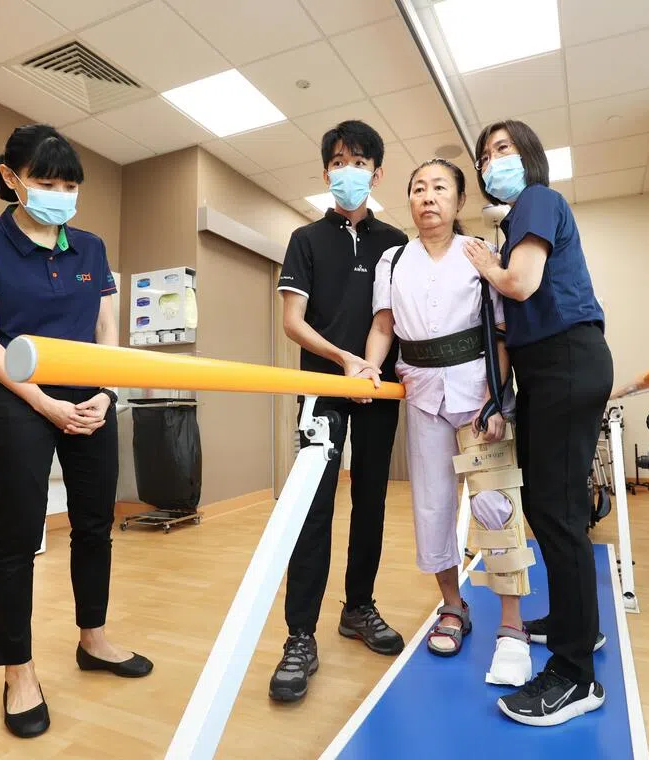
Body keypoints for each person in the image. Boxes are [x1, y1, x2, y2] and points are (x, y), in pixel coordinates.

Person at [0, 124, 152, 739]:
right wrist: (42, 401)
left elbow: (107, 328)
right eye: (46, 182)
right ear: (11, 178)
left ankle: (93, 638)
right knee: (15, 536)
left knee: (94, 524)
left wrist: (106, 392)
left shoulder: (90, 247)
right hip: (19, 398)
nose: (60, 195)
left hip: (90, 396)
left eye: (70, 185)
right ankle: (18, 672)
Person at [357, 158, 535, 687]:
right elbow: (384, 327)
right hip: (422, 395)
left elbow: (499, 333)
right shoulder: (393, 260)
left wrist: (498, 400)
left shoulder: (479, 252)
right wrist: (369, 366)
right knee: (432, 506)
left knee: (495, 503)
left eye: (439, 187)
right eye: (418, 188)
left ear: (458, 200)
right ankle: (453, 606)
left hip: (478, 395)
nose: (428, 196)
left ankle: (511, 624)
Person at [462, 119, 614, 726]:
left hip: (565, 362)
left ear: (528, 156)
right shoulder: (522, 220)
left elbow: (521, 285)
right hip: (551, 368)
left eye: (502, 149)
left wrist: (484, 263)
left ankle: (576, 677)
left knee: (558, 513)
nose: (491, 161)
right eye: (484, 155)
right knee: (555, 510)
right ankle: (579, 627)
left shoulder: (537, 200)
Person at [270, 120, 408, 703]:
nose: (347, 171)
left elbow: (395, 317)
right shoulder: (305, 239)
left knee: (371, 500)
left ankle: (358, 608)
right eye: (338, 162)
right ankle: (300, 635)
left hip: (379, 387)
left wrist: (370, 368)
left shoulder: (395, 242)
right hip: (321, 387)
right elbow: (292, 322)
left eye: (359, 162)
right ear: (326, 171)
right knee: (313, 506)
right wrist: (344, 360)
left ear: (377, 173)